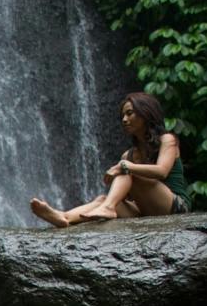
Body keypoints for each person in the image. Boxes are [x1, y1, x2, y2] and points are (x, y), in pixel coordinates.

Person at [32, 91, 193, 226]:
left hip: (175, 207)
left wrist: (125, 167)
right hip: (145, 210)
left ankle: (108, 207)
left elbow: (162, 171)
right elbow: (131, 194)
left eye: (129, 113)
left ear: (146, 113)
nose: (124, 120)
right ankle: (64, 217)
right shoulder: (128, 155)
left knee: (126, 171)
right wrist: (122, 176)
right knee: (103, 198)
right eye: (122, 115)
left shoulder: (167, 140)